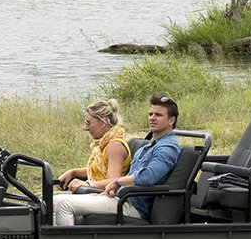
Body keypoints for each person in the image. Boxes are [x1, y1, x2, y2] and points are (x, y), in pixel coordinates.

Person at [51, 95, 182, 226]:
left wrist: (117, 181)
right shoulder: (148, 146)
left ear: (171, 120)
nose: (152, 118)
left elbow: (149, 176)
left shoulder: (167, 147)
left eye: (158, 115)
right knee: (53, 201)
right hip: (120, 197)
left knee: (63, 204)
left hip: (132, 205)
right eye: (150, 114)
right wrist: (105, 192)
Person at [53, 98, 130, 194]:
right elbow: (98, 169)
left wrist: (88, 184)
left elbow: (113, 180)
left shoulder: (115, 146)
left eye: (88, 123)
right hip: (96, 192)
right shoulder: (102, 144)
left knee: (56, 203)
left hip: (105, 195)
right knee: (42, 199)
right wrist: (73, 172)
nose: (86, 128)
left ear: (103, 122)